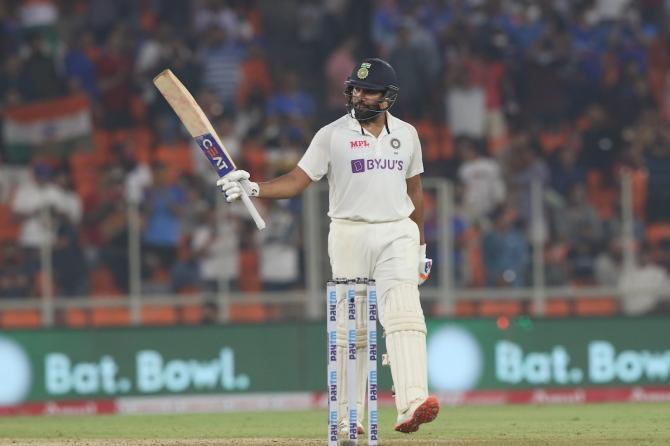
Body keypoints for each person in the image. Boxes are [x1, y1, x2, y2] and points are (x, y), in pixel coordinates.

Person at [217, 58, 439, 434]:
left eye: (368, 90)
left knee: (404, 312)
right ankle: (350, 420)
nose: (359, 95)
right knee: (354, 331)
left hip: (397, 232)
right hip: (349, 233)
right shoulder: (331, 134)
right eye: (355, 88)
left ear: (387, 97)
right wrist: (253, 188)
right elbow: (296, 180)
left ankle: (412, 403)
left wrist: (420, 246)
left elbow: (414, 192)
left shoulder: (409, 135)